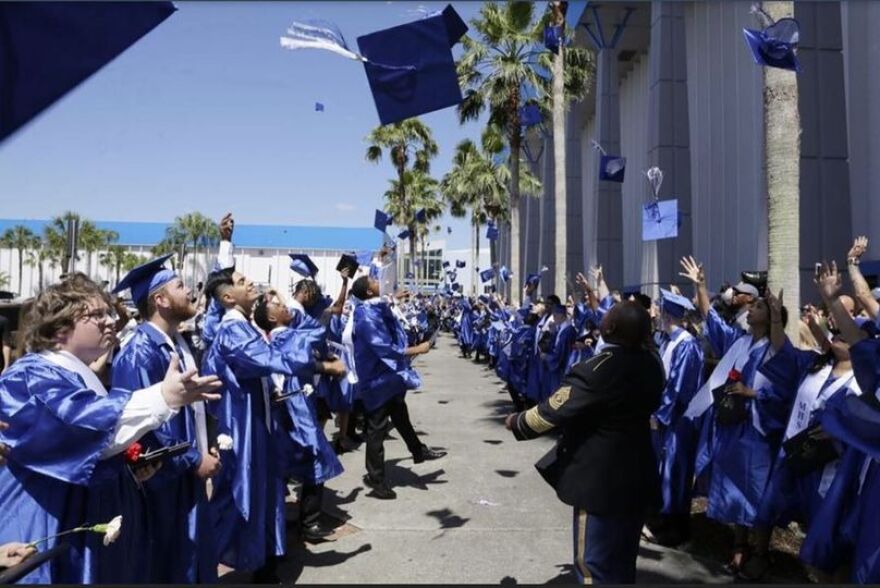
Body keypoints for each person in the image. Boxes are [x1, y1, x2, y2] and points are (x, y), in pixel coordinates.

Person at [0, 274, 221, 584]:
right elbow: (80, 427)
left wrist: (129, 464)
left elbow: (98, 450)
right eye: (96, 315)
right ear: (61, 327)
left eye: (109, 313)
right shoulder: (30, 375)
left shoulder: (78, 375)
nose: (111, 321)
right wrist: (163, 397)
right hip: (49, 522)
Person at [505, 301, 664, 584]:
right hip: (638, 474)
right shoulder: (653, 363)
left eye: (608, 315)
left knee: (592, 566)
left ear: (610, 328)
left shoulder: (597, 368)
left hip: (600, 481)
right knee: (623, 562)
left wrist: (518, 422)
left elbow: (552, 411)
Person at [201, 266, 338, 582]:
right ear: (226, 297)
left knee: (263, 496)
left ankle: (264, 564)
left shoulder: (243, 327)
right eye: (240, 281)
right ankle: (207, 565)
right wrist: (323, 366)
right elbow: (269, 359)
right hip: (242, 429)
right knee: (239, 500)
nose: (249, 282)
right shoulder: (232, 330)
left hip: (258, 423)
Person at [110, 253, 222, 583]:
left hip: (187, 476)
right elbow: (142, 429)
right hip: (164, 484)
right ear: (160, 299)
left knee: (195, 562)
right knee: (171, 566)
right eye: (180, 285)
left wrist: (207, 446)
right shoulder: (139, 351)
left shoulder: (176, 343)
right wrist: (192, 459)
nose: (189, 291)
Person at [679, 255, 793, 578]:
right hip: (733, 427)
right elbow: (711, 320)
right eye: (753, 306)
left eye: (757, 307)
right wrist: (700, 285)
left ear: (769, 318)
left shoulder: (776, 350)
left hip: (758, 432)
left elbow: (784, 390)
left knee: (756, 492)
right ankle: (738, 546)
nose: (750, 309)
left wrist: (753, 393)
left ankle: (760, 552)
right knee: (734, 489)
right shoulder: (739, 342)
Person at [252, 291, 344, 544]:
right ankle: (310, 522)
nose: (286, 306)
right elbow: (317, 332)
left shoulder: (268, 341)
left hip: (283, 409)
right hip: (298, 408)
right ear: (272, 316)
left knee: (284, 467)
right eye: (280, 306)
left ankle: (280, 522)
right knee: (315, 461)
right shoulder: (293, 337)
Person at [349, 275, 445, 500]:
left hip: (389, 376)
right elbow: (383, 347)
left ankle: (417, 450)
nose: (378, 280)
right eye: (373, 280)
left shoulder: (374, 306)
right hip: (377, 379)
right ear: (368, 292)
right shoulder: (364, 316)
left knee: (401, 415)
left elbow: (384, 304)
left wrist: (395, 297)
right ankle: (376, 479)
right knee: (376, 429)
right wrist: (416, 350)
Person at [644, 289, 705, 547]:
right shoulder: (668, 341)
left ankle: (678, 529)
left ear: (669, 316)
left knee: (675, 471)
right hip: (665, 416)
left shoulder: (687, 345)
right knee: (663, 469)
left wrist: (661, 415)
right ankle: (663, 519)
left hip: (679, 419)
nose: (658, 316)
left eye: (662, 312)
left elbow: (679, 387)